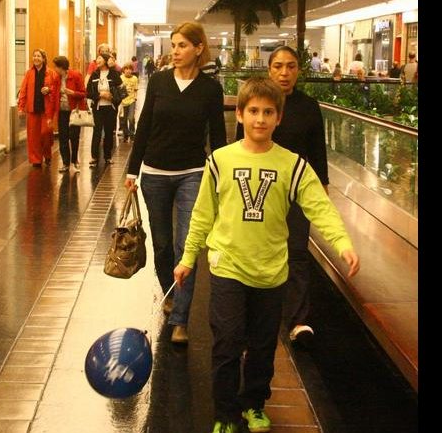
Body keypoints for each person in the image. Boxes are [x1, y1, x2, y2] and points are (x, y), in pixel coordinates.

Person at [174, 77, 359, 433]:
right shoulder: (219, 161)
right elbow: (202, 214)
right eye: (253, 111)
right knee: (226, 344)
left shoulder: (293, 165)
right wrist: (187, 257)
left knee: (261, 347)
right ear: (240, 115)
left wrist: (342, 243)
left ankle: (254, 403)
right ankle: (225, 413)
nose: (260, 118)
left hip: (272, 272)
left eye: (268, 112)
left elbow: (319, 207)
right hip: (227, 267)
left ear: (279, 118)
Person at [124, 21, 226, 344]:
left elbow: (219, 138)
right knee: (164, 244)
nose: (176, 51)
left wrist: (223, 177)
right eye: (174, 45)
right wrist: (132, 170)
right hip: (154, 174)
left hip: (192, 174)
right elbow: (144, 126)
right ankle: (169, 292)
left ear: (199, 48)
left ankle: (181, 318)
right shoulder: (158, 82)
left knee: (187, 246)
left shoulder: (210, 89)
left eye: (183, 45)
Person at [233, 45, 330, 346]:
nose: (284, 72)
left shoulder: (309, 106)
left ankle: (298, 320)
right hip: (260, 192)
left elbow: (317, 152)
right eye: (278, 66)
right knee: (260, 250)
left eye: (290, 66)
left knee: (297, 253)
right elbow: (240, 147)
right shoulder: (259, 105)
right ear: (269, 69)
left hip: (297, 193)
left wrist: (321, 188)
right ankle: (257, 311)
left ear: (298, 70)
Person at [17, 49, 59, 167]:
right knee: (33, 136)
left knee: (46, 134)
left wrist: (49, 89)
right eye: (34, 56)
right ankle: (36, 159)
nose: (36, 58)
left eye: (38, 56)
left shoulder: (51, 73)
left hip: (46, 110)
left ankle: (47, 154)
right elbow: (23, 90)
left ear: (43, 59)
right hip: (33, 109)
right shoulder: (29, 73)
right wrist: (21, 107)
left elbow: (56, 88)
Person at [51, 55, 87, 173]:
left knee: (74, 137)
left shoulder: (75, 75)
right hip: (62, 111)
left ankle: (75, 161)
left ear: (62, 67)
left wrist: (72, 93)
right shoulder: (56, 78)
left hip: (74, 111)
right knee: (63, 137)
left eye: (56, 67)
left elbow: (83, 93)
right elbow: (54, 93)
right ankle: (65, 163)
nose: (55, 69)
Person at [86, 53, 122, 167]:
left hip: (111, 108)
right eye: (97, 58)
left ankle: (107, 156)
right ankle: (94, 157)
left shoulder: (114, 74)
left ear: (106, 61)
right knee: (97, 132)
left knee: (109, 132)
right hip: (98, 108)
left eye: (100, 58)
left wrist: (112, 97)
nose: (97, 60)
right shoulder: (94, 74)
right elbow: (88, 92)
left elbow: (122, 92)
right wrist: (100, 95)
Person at [119, 62, 139, 142]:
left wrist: (135, 98)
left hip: (131, 100)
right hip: (123, 101)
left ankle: (132, 133)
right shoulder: (121, 77)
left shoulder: (135, 78)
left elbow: (136, 89)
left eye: (130, 69)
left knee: (131, 118)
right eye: (126, 69)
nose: (128, 71)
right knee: (123, 119)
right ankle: (125, 134)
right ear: (124, 70)